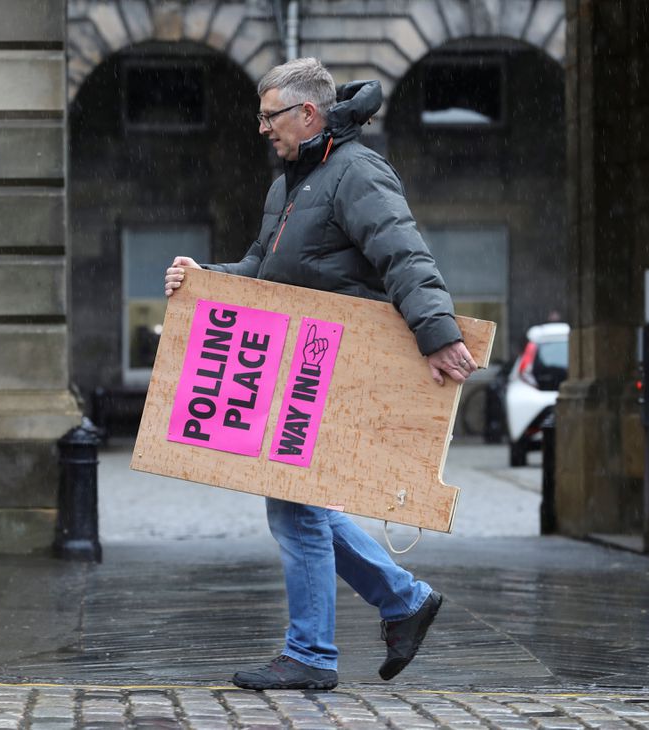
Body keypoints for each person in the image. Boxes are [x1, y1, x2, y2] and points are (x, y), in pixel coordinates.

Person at [164, 57, 477, 691]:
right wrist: (203, 280)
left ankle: (312, 653)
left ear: (308, 114)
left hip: (334, 366)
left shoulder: (356, 172)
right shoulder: (289, 184)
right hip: (298, 361)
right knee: (295, 506)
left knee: (296, 511)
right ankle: (404, 601)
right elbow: (263, 271)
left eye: (269, 116)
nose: (261, 129)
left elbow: (405, 253)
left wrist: (438, 335)